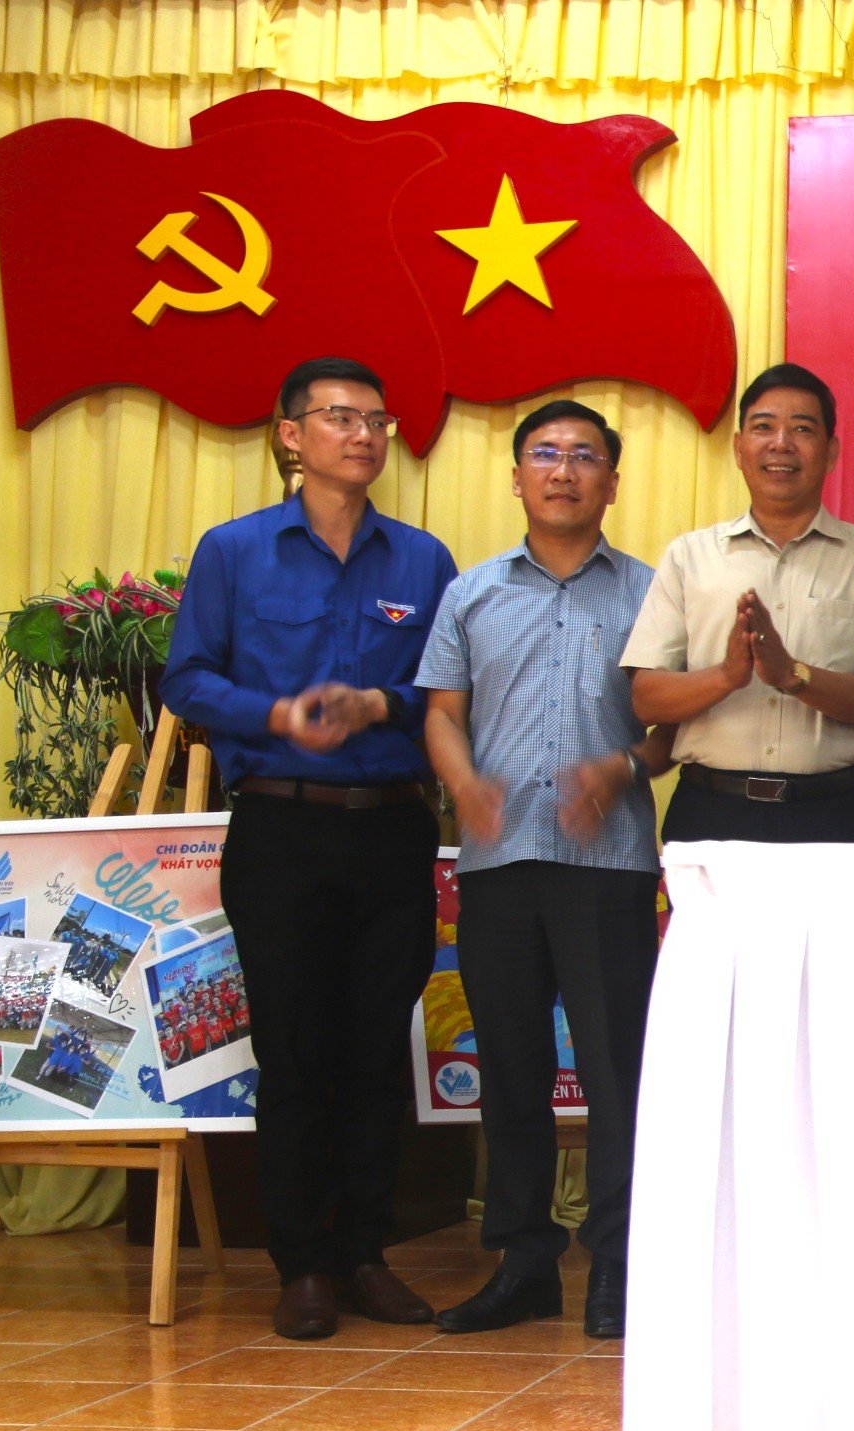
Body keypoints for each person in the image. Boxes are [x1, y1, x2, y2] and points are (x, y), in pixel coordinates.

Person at [161, 355, 456, 1342]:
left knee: (375, 1048)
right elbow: (188, 680)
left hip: (389, 826)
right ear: (291, 434)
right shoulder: (235, 552)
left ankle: (366, 1250)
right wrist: (275, 711)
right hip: (280, 827)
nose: (365, 434)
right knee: (291, 1046)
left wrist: (385, 702)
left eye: (378, 417)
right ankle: (302, 1263)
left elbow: (452, 694)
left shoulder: (423, 561)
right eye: (340, 417)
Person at [416, 399, 671, 1341]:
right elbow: (441, 711)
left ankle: (616, 1262)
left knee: (615, 1070)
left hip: (606, 864)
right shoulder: (472, 592)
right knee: (511, 1070)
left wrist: (623, 766)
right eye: (544, 455)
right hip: (496, 862)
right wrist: (462, 783)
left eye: (584, 457)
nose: (563, 471)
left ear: (612, 479)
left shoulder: (651, 590)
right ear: (517, 476)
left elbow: (673, 725)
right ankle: (523, 1261)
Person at [622, 363, 854, 843]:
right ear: (739, 449)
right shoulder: (688, 556)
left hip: (833, 816)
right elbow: (646, 697)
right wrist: (725, 677)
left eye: (802, 428)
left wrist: (791, 675)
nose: (781, 443)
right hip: (713, 814)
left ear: (830, 451)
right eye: (763, 427)